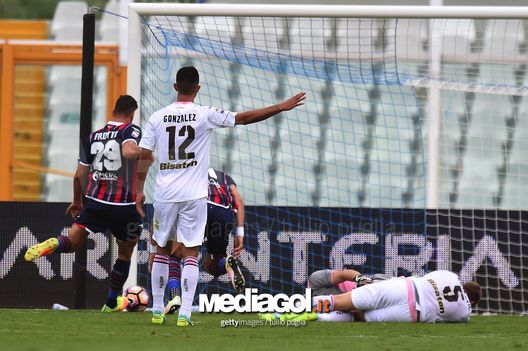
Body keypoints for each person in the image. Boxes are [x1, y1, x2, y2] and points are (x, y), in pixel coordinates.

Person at [136, 66, 306, 327]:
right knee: (191, 254)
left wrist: (138, 189)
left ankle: (158, 310)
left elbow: (144, 154)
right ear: (198, 88)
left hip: (165, 194)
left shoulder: (158, 117)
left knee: (161, 250)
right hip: (194, 195)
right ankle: (185, 315)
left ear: (174, 87)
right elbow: (243, 118)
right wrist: (279, 107)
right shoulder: (205, 114)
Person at [25, 95, 144, 312]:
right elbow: (131, 152)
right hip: (124, 205)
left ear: (113, 111)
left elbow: (79, 174)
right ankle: (111, 302)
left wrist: (76, 200)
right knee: (125, 253)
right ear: (132, 114)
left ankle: (53, 244)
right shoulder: (131, 131)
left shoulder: (94, 136)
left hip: (96, 201)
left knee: (72, 242)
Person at [146, 168, 246, 316]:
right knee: (210, 265)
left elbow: (165, 205)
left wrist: (153, 250)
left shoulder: (186, 171)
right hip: (223, 213)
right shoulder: (224, 177)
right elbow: (238, 200)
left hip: (199, 206)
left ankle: (175, 296)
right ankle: (225, 264)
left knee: (175, 253)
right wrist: (240, 234)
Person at [312, 270, 482, 323]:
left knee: (340, 302)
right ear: (472, 301)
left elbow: (427, 278)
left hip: (404, 287)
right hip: (413, 314)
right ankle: (315, 313)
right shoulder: (465, 314)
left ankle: (296, 305)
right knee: (362, 316)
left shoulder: (450, 275)